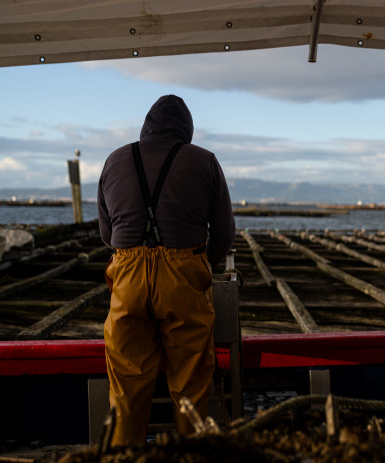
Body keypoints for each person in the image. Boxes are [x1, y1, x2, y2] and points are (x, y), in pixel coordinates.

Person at [97, 94, 235, 446]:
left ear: (145, 126)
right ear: (186, 130)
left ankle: (123, 455)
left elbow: (105, 234)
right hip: (183, 272)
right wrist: (203, 267)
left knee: (126, 386)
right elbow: (223, 232)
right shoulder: (204, 160)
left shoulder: (115, 159)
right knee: (190, 381)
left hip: (127, 272)